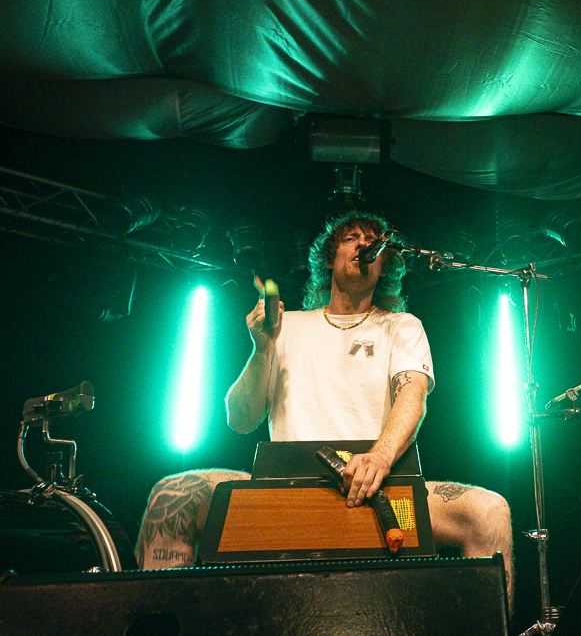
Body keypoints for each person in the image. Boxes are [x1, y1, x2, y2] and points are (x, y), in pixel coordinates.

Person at [136, 211, 514, 607]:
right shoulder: (286, 326)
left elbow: (412, 397)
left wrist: (379, 459)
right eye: (352, 238)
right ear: (330, 258)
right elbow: (240, 419)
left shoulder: (402, 326)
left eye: (374, 243)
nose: (363, 245)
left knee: (489, 511)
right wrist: (262, 348)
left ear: (384, 264)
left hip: (378, 489)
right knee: (172, 497)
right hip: (283, 492)